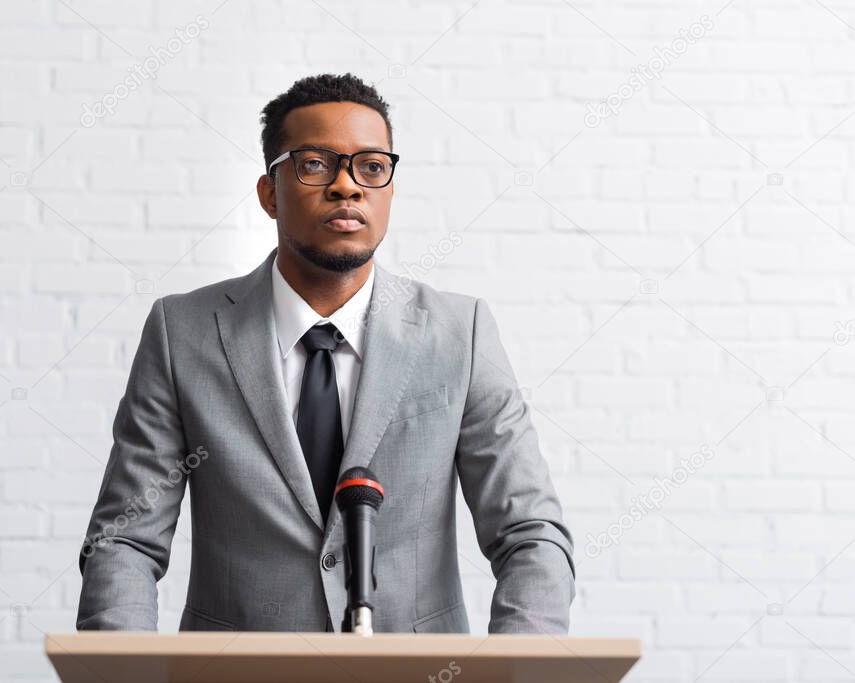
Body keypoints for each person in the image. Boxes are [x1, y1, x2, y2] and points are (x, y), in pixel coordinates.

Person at [76, 73, 575, 633]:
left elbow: (530, 533)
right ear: (269, 192)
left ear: (389, 189)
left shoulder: (462, 333)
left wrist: (516, 668)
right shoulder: (182, 332)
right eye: (315, 163)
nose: (347, 187)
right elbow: (125, 539)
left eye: (371, 166)